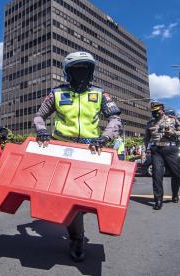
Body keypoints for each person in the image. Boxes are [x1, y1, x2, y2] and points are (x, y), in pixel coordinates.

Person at [33, 51, 122, 262]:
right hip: (62, 148)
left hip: (91, 150)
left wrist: (105, 137)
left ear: (91, 72)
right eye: (77, 69)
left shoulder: (101, 94)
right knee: (70, 197)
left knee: (89, 195)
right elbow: (39, 115)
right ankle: (77, 237)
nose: (81, 73)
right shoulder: (56, 94)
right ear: (68, 72)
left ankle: (77, 227)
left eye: (86, 69)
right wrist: (42, 130)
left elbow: (115, 118)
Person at [144, 101, 180, 210]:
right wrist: (146, 149)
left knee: (176, 174)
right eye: (153, 111)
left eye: (157, 111)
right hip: (156, 150)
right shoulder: (150, 123)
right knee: (157, 175)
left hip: (170, 149)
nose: (155, 113)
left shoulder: (172, 119)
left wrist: (173, 133)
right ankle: (158, 200)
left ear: (162, 109)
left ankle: (175, 193)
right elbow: (146, 138)